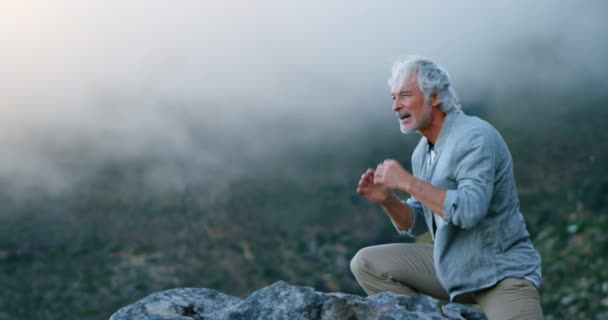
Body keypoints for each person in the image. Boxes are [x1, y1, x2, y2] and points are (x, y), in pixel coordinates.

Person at [350, 56, 543, 319]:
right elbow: (418, 222)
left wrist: (407, 182)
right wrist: (388, 200)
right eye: (393, 97)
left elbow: (469, 210)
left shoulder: (475, 137)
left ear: (435, 97)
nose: (396, 106)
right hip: (451, 267)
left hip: (501, 273)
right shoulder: (422, 152)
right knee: (366, 263)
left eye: (405, 95)